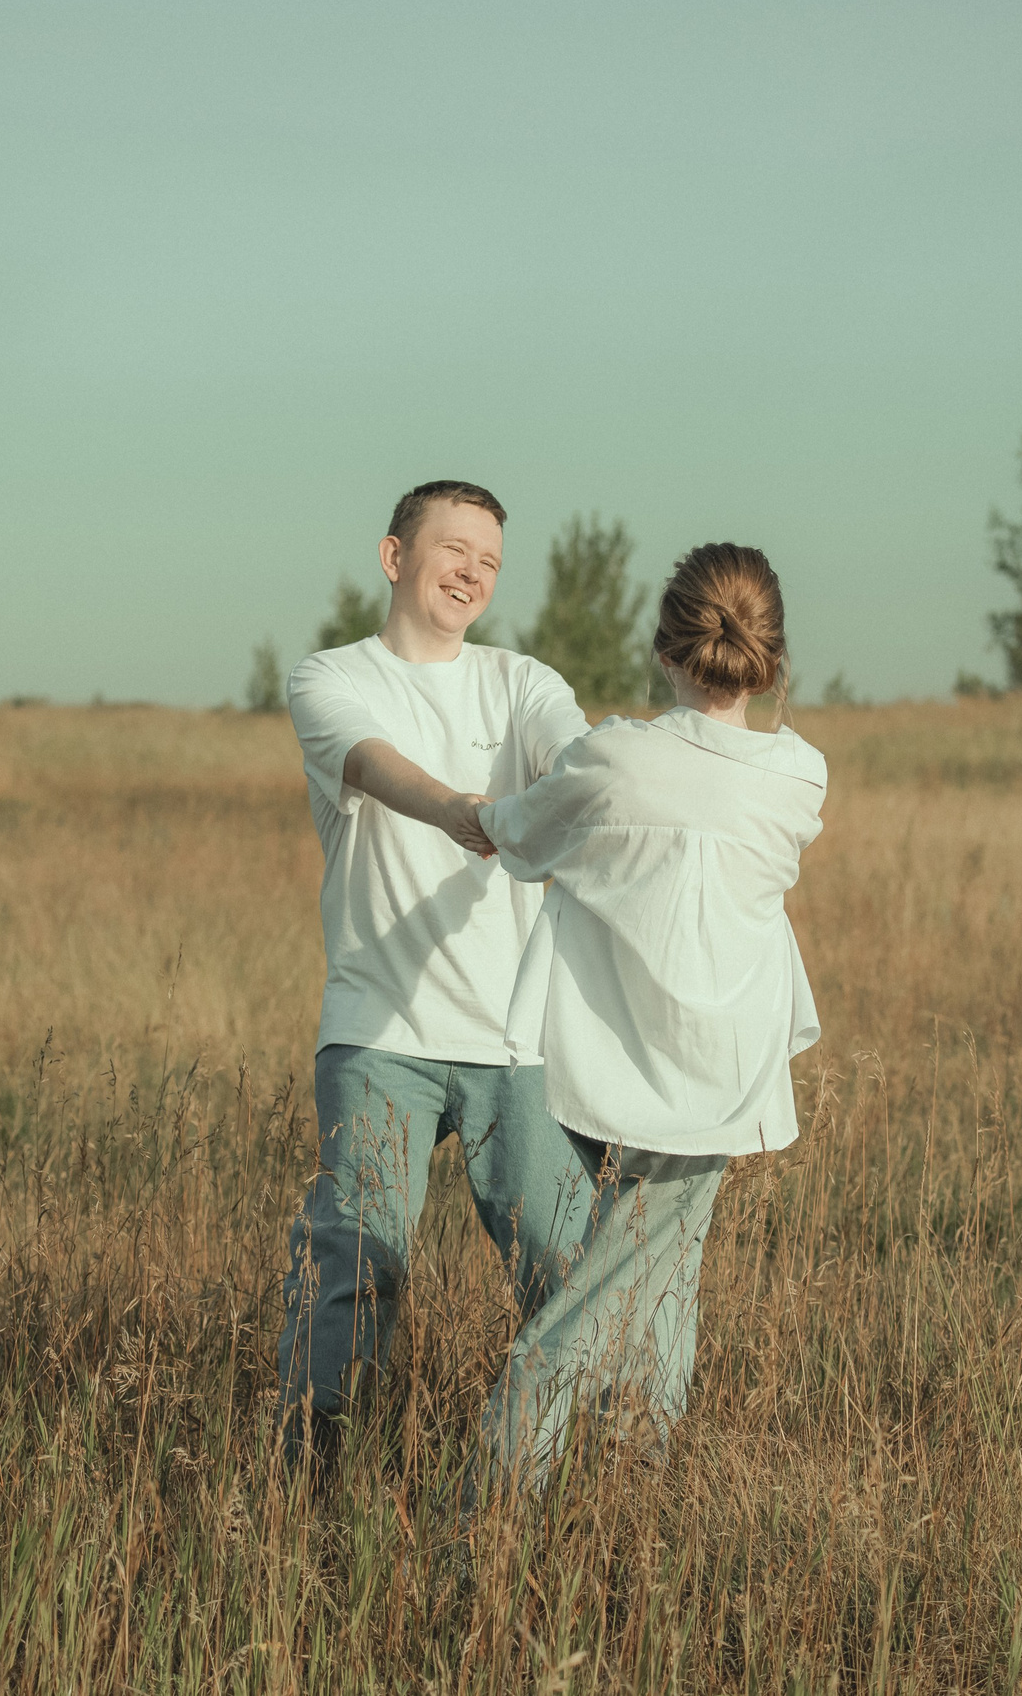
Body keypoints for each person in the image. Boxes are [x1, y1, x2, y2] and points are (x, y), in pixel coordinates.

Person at [461, 542, 826, 1491]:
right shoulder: (799, 776)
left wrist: (477, 812)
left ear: (665, 649)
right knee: (650, 1270)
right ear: (770, 660)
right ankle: (609, 1482)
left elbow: (523, 838)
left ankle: (508, 1500)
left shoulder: (614, 755)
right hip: (724, 1071)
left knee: (620, 1284)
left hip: (605, 1055)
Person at [275, 480, 597, 1470]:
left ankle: (569, 1466)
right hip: (379, 1031)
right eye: (453, 549)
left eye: (489, 561)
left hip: (514, 1036)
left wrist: (578, 787)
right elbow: (372, 765)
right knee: (356, 1264)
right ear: (394, 557)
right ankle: (313, 1471)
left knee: (566, 1264)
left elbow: (574, 759)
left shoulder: (522, 682)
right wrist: (459, 809)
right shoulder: (331, 678)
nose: (471, 573)